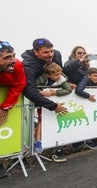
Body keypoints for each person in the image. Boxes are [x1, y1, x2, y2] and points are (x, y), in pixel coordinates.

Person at [21, 38, 68, 162]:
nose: (50, 55)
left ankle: (57, 149)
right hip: (31, 97)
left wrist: (61, 87)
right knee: (34, 122)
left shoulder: (56, 54)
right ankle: (28, 151)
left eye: (51, 51)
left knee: (54, 122)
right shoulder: (28, 64)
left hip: (49, 96)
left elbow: (60, 73)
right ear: (36, 52)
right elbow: (29, 90)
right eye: (46, 52)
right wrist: (53, 106)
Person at [0, 41, 27, 178]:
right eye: (7, 58)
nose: (12, 61)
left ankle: (16, 156)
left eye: (13, 56)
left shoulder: (17, 65)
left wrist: (5, 107)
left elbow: (19, 85)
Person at [34, 62, 72, 153]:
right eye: (55, 75)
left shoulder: (61, 78)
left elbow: (68, 89)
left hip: (56, 104)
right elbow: (32, 88)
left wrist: (55, 93)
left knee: (56, 120)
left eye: (59, 74)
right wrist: (41, 93)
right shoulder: (41, 79)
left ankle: (55, 141)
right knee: (41, 120)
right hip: (43, 104)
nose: (58, 76)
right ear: (47, 75)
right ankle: (38, 140)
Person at [63, 46, 95, 152]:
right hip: (72, 95)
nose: (82, 55)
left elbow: (88, 78)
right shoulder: (69, 63)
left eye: (83, 53)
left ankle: (85, 140)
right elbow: (66, 71)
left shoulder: (86, 66)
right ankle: (75, 144)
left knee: (84, 118)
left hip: (83, 93)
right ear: (74, 54)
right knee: (73, 119)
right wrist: (79, 61)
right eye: (79, 53)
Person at [75, 67, 97, 149]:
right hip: (80, 106)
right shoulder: (85, 80)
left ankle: (90, 140)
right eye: (95, 76)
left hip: (90, 107)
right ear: (89, 75)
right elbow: (78, 90)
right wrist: (88, 96)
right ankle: (78, 143)